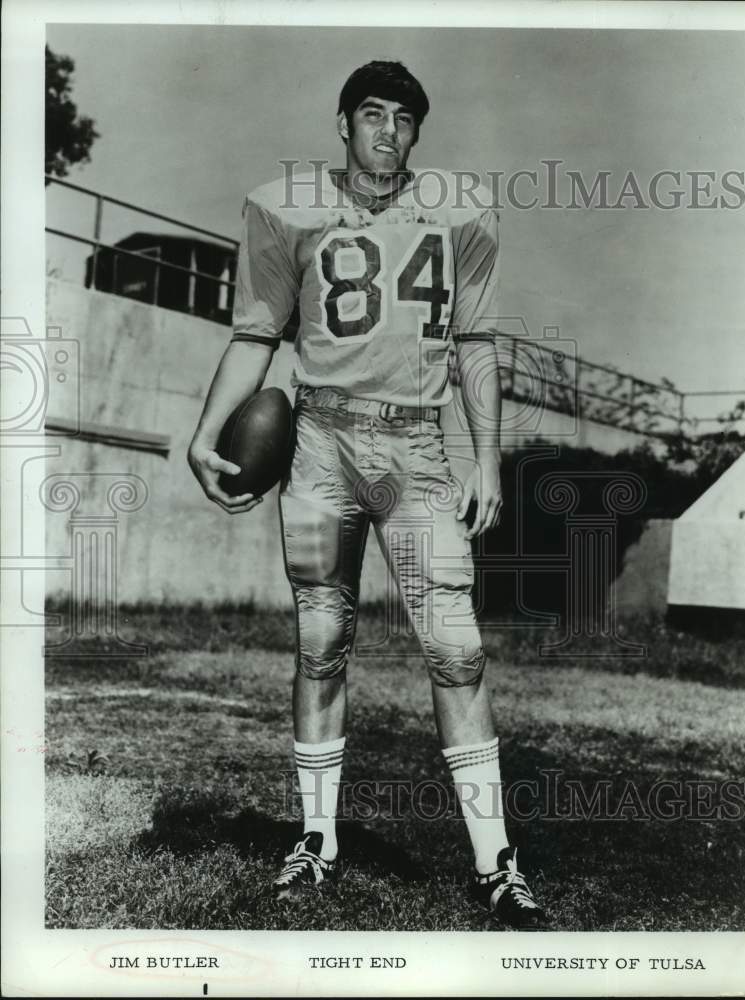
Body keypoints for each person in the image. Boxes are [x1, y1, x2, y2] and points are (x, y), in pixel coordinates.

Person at [188, 60, 548, 929]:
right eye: (372, 114)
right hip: (317, 446)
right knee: (320, 636)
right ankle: (317, 840)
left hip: (417, 452)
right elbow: (255, 333)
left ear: (417, 133)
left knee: (456, 647)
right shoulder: (285, 207)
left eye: (404, 119)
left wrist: (486, 460)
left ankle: (494, 861)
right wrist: (207, 430)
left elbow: (474, 344)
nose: (388, 130)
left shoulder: (459, 212)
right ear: (343, 123)